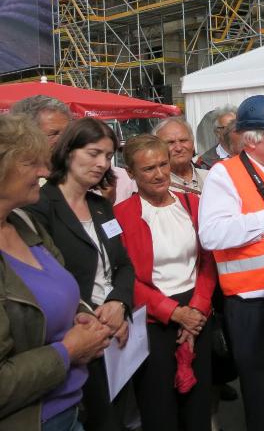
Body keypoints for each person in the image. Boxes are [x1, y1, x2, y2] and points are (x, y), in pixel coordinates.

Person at [198, 95, 264, 431]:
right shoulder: (223, 175)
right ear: (251, 139)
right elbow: (212, 235)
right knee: (260, 397)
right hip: (252, 307)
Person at [0, 114, 110, 431]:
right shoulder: (38, 212)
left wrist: (83, 313)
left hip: (70, 409)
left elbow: (60, 286)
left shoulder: (24, 223)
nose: (44, 171)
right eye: (30, 163)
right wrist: (70, 351)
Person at [26, 118, 135, 431]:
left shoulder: (101, 205)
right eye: (93, 153)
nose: (102, 163)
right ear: (68, 152)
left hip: (116, 334)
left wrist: (119, 303)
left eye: (108, 156)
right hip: (77, 335)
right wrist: (97, 319)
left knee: (115, 417)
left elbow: (123, 265)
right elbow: (47, 278)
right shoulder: (40, 207)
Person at [114, 135, 216, 431]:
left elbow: (209, 261)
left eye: (163, 164)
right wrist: (173, 312)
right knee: (159, 409)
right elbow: (124, 276)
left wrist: (197, 308)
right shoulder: (121, 215)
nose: (159, 174)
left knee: (198, 406)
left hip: (198, 315)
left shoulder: (192, 203)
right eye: (148, 169)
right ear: (131, 173)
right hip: (152, 320)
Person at [154, 117, 208, 196]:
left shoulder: (211, 177)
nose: (178, 148)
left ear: (193, 144)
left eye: (183, 140)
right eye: (170, 142)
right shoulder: (155, 186)